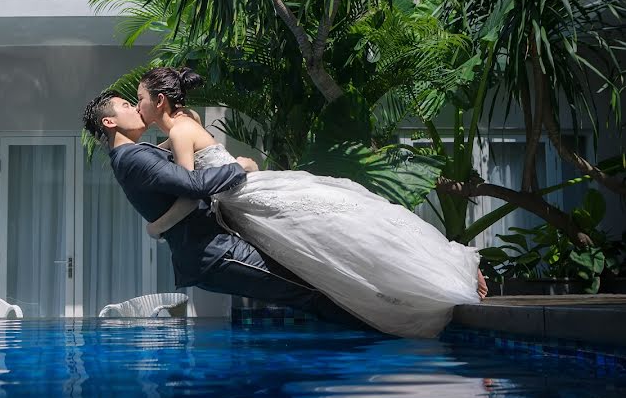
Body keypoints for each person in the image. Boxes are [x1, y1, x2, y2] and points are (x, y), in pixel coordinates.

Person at [135, 66, 487, 338]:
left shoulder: (180, 131)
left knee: (337, 237)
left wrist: (156, 227)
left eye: (140, 99)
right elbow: (160, 155)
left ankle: (441, 276)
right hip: (245, 200)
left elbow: (190, 189)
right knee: (339, 237)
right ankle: (430, 277)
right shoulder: (187, 120)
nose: (138, 107)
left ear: (160, 100)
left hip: (248, 202)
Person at [82, 89, 372, 328]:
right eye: (126, 105)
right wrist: (239, 168)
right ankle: (373, 340)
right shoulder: (131, 157)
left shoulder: (134, 154)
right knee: (308, 290)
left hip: (214, 248)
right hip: (215, 253)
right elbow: (192, 185)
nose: (135, 107)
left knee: (308, 287)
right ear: (110, 122)